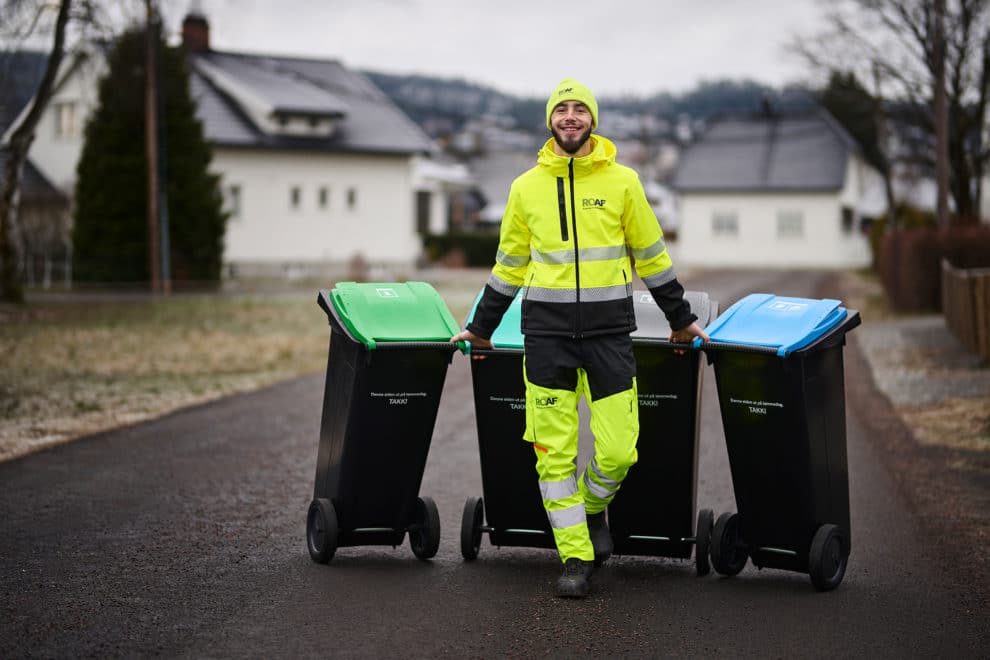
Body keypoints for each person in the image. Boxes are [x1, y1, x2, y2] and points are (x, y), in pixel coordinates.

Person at [451, 78, 709, 598]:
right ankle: (574, 555)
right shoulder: (525, 187)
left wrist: (680, 317)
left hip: (609, 334)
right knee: (553, 452)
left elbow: (652, 258)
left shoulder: (624, 182)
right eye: (561, 109)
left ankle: (591, 510)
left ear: (592, 119)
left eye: (579, 109)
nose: (570, 117)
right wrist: (481, 327)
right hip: (545, 337)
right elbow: (508, 267)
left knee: (618, 451)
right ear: (550, 120)